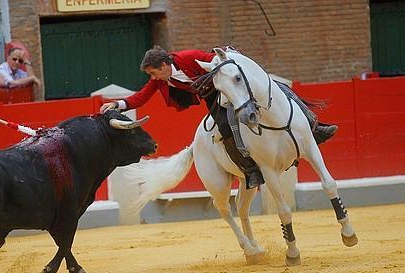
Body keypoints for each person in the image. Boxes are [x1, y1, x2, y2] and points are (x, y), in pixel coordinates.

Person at [100, 46, 338, 189]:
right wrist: (118, 105)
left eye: (154, 72)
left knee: (285, 94)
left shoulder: (188, 57)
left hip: (230, 86)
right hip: (213, 98)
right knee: (225, 128)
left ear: (164, 65)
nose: (154, 78)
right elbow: (141, 97)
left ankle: (316, 129)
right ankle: (251, 170)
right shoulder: (159, 79)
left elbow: (215, 60)